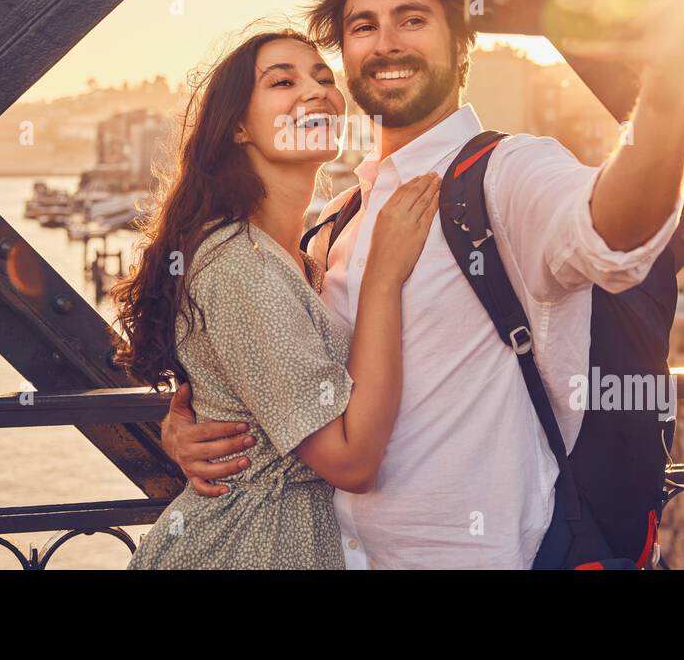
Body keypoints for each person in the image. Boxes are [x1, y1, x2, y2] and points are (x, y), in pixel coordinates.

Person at [160, 0, 684, 568]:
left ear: (460, 44)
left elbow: (617, 226)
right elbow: (287, 376)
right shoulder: (333, 224)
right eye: (363, 27)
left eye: (412, 20)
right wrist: (186, 428)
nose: (386, 42)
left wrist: (670, 70)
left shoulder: (507, 175)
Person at [112, 28, 439, 568]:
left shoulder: (302, 256)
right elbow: (352, 462)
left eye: (324, 78)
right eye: (282, 81)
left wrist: (179, 427)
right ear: (238, 125)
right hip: (242, 547)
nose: (316, 92)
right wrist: (384, 276)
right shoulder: (239, 261)